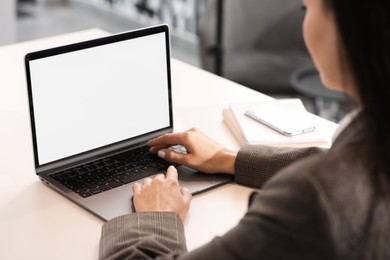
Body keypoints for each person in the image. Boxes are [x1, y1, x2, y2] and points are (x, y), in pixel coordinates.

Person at [99, 0, 390, 259]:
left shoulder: (311, 199)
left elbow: (330, 181)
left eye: (307, 8)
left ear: (349, 27)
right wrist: (229, 159)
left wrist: (156, 216)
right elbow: (341, 162)